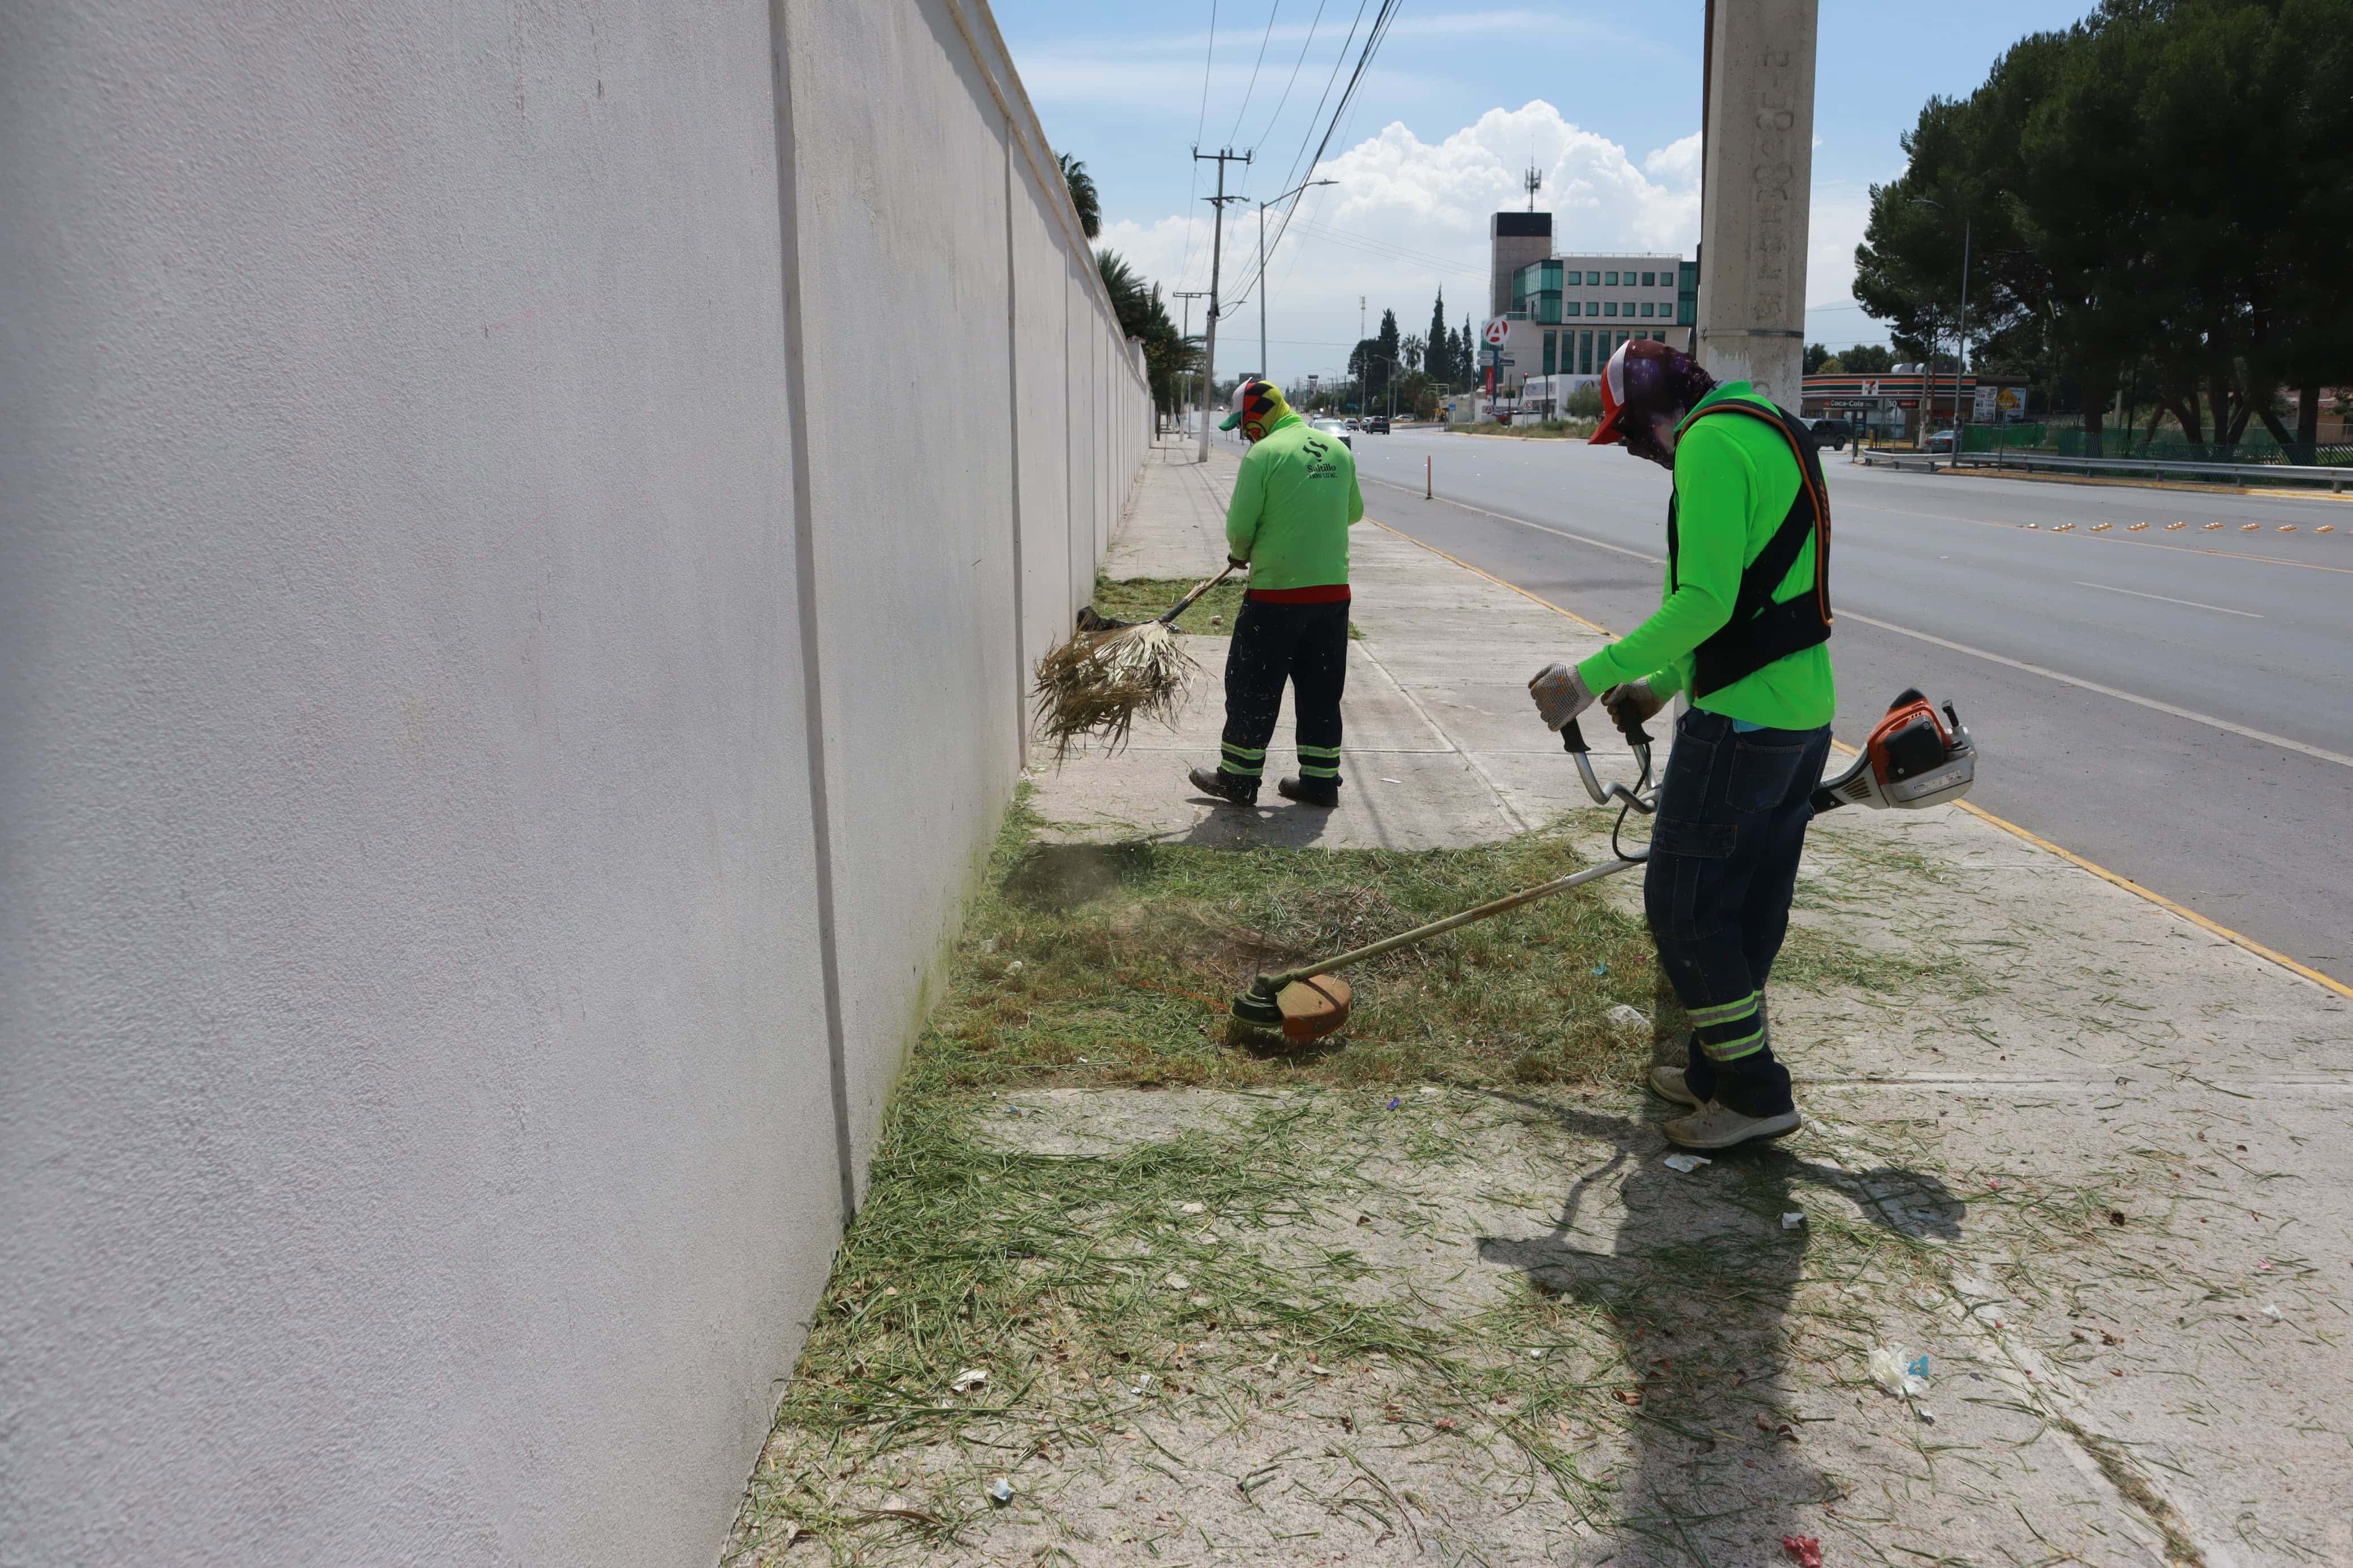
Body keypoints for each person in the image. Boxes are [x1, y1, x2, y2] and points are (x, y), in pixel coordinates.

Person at [1527, 339, 1835, 1151]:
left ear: (1649, 418)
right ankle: (1713, 1066)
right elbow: (1752, 593)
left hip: (1740, 723)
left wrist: (1588, 677)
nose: (1635, 453)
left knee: (1684, 906)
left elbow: (1704, 596)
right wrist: (1662, 682)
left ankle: (1754, 1089)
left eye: (1627, 436)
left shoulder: (1705, 443)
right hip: (1799, 717)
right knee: (1746, 905)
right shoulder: (1768, 424)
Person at [1188, 378, 1364, 809]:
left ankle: (1239, 779)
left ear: (1260, 415)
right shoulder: (1338, 451)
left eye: (1244, 424)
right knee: (1321, 689)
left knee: (1253, 686)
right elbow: (1354, 512)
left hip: (1275, 597)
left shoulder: (1263, 454)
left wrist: (1240, 553)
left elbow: (1240, 526)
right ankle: (1321, 782)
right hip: (1332, 596)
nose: (1243, 434)